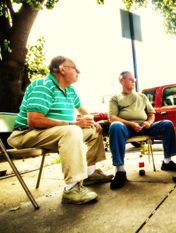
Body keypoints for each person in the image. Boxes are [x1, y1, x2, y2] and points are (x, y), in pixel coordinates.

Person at [7, 56, 113, 205]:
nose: (79, 72)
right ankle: (72, 189)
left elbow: (82, 110)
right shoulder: (43, 86)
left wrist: (91, 121)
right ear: (62, 69)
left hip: (51, 133)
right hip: (27, 133)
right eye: (75, 68)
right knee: (72, 130)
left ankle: (90, 173)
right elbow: (34, 120)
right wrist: (72, 123)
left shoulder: (69, 90)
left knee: (93, 130)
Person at [108, 71, 176, 189]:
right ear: (122, 81)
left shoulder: (142, 96)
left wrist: (148, 122)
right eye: (130, 79)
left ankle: (167, 162)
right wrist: (130, 124)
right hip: (126, 128)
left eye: (134, 79)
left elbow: (151, 113)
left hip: (144, 126)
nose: (133, 81)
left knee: (167, 124)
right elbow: (112, 118)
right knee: (115, 126)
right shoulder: (115, 98)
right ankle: (120, 171)